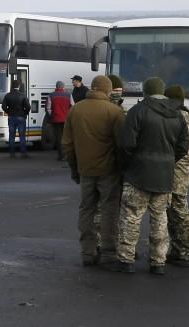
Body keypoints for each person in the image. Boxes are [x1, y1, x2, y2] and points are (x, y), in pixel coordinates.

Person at [109, 76, 189, 275]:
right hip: (164, 175)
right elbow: (182, 147)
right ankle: (158, 262)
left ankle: (126, 260)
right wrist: (168, 161)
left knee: (131, 217)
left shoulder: (138, 111)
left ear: (145, 91)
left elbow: (126, 144)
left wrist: (127, 166)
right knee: (160, 218)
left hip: (138, 174)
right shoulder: (177, 115)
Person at [62, 74, 126, 267]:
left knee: (86, 209)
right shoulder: (114, 112)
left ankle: (88, 252)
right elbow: (122, 145)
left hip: (85, 170)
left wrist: (75, 169)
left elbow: (67, 145)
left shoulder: (75, 110)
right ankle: (108, 252)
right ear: (107, 90)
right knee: (109, 211)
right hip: (109, 171)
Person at [164, 84, 189, 267]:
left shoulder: (179, 118)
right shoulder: (185, 115)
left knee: (179, 210)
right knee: (171, 210)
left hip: (178, 169)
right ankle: (179, 249)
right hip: (182, 168)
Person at [1, 82, 31, 158]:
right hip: (21, 117)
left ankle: (12, 153)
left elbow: (3, 106)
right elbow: (28, 107)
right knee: (22, 136)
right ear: (18, 86)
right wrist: (25, 113)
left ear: (12, 86)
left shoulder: (7, 95)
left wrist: (8, 112)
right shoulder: (22, 95)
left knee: (11, 136)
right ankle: (23, 153)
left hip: (11, 117)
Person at [47, 81, 72, 160]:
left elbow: (48, 108)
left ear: (56, 87)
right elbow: (73, 106)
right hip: (66, 120)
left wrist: (52, 115)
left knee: (58, 138)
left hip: (56, 119)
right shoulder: (68, 95)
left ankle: (61, 156)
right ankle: (67, 155)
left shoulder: (51, 95)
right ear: (63, 87)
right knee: (66, 138)